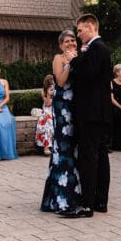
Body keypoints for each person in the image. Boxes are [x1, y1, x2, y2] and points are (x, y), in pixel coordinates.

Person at [61, 14, 112, 218]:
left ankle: (87, 204)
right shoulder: (96, 49)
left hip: (91, 112)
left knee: (88, 158)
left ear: (90, 27)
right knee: (100, 156)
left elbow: (89, 74)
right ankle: (100, 201)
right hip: (97, 112)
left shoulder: (97, 48)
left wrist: (75, 59)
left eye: (80, 30)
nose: (78, 34)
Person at [41, 30, 81, 213]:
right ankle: (61, 197)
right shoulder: (59, 58)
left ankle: (77, 192)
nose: (71, 43)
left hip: (76, 104)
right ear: (60, 45)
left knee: (75, 148)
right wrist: (69, 62)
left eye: (73, 40)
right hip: (63, 105)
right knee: (63, 146)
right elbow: (61, 80)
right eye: (66, 41)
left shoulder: (80, 56)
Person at [35, 74, 55, 156]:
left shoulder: (57, 89)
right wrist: (49, 94)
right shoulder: (43, 91)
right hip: (47, 110)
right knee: (47, 120)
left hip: (55, 109)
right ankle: (46, 146)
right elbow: (48, 104)